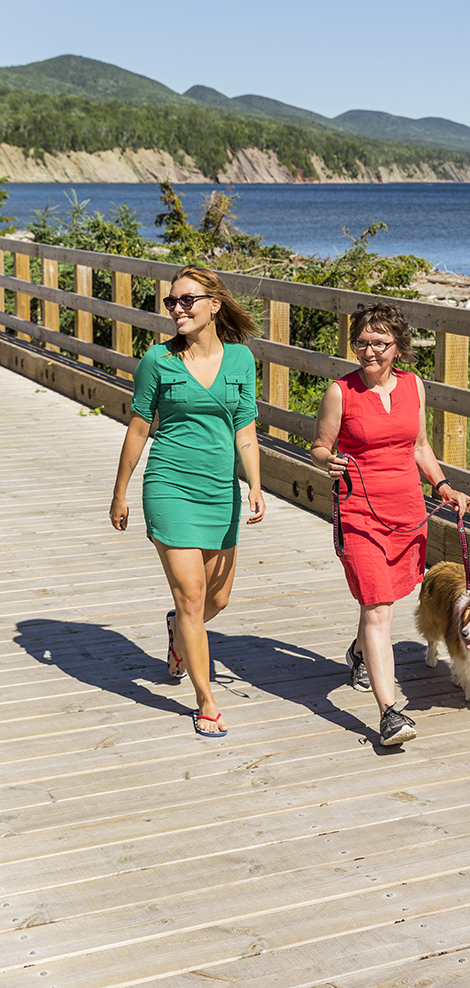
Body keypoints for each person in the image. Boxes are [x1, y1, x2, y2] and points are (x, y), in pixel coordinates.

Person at [109, 266, 265, 737]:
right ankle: (206, 701)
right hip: (169, 486)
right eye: (171, 302)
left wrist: (255, 485)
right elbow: (139, 427)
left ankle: (178, 631)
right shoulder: (158, 360)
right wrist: (120, 492)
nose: (177, 308)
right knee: (193, 599)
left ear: (214, 305)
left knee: (217, 598)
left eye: (187, 300)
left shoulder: (240, 359)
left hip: (221, 489)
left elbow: (245, 426)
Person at [311, 302, 470, 746]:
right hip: (358, 512)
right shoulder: (340, 392)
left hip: (407, 512)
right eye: (361, 343)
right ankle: (389, 713)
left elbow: (419, 445)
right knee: (378, 607)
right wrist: (329, 462)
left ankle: (359, 652)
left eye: (380, 343)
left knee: (383, 601)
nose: (369, 351)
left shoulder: (414, 386)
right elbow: (319, 446)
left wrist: (443, 486)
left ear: (398, 347)